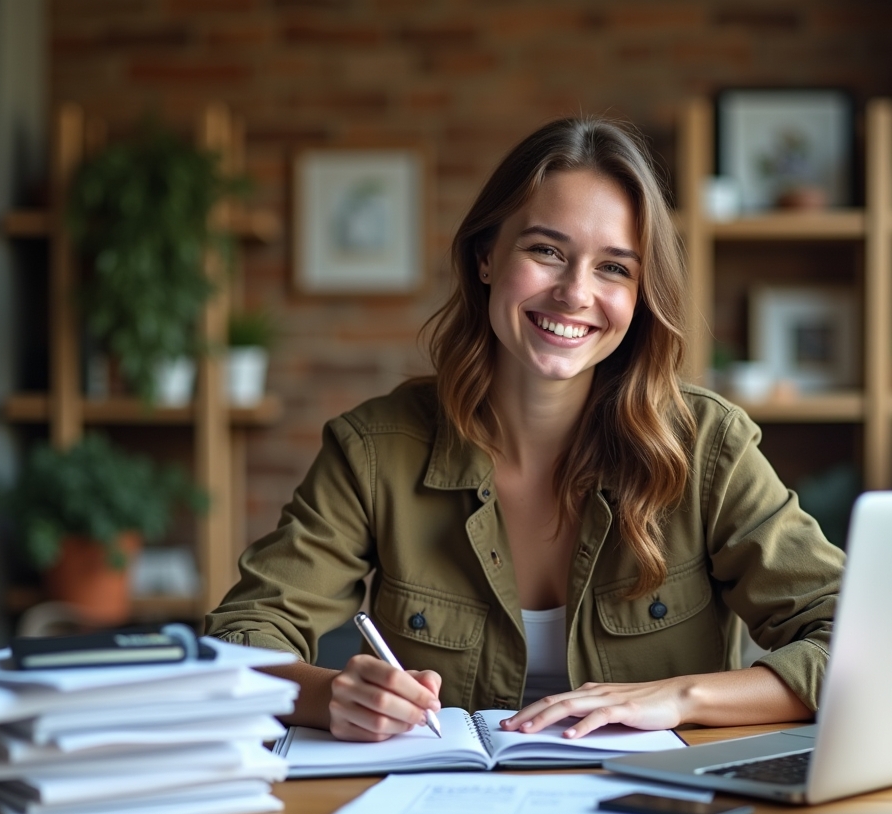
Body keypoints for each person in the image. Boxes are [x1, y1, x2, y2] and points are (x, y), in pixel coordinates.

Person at [206, 117, 843, 743]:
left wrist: (683, 696)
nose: (574, 293)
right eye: (546, 251)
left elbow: (858, 640)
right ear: (487, 257)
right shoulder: (374, 450)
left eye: (614, 268)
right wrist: (325, 695)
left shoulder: (708, 446)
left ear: (642, 293)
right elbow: (240, 637)